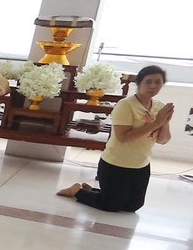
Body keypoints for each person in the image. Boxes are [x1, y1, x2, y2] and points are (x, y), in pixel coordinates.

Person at [59, 64, 173, 212]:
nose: (153, 86)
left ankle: (92, 190)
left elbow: (162, 140)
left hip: (141, 165)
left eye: (158, 82)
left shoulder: (159, 106)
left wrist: (165, 122)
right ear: (138, 83)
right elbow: (123, 138)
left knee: (133, 206)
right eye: (148, 81)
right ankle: (77, 191)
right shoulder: (125, 105)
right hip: (116, 164)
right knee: (111, 206)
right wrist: (157, 122)